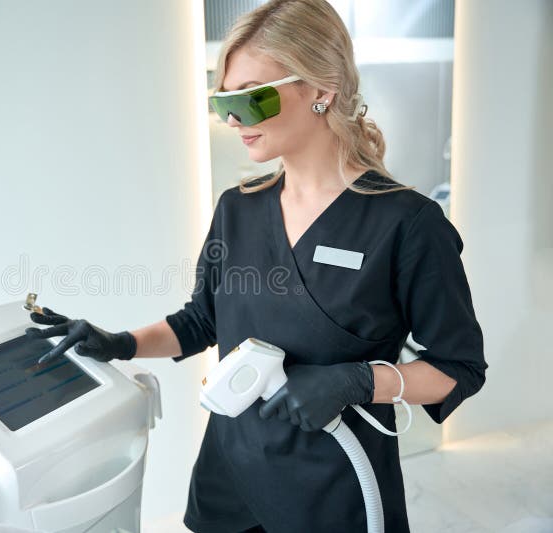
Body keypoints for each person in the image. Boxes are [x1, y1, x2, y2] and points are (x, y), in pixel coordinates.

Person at [24, 0, 487, 531]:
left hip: (335, 492)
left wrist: (362, 382)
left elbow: (459, 370)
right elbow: (202, 321)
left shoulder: (407, 224)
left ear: (321, 89)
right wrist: (119, 343)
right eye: (225, 100)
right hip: (228, 480)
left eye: (252, 98)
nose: (232, 119)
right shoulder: (238, 208)